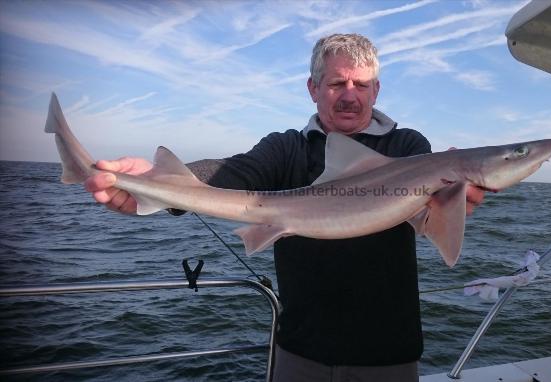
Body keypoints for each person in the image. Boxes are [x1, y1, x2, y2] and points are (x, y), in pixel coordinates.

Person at [85, 33, 484, 382]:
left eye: (361, 85)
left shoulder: (408, 149)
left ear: (376, 91)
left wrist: (455, 199)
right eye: (337, 83)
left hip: (388, 352)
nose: (350, 95)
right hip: (300, 348)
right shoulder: (286, 147)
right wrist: (158, 183)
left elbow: (430, 216)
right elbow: (231, 172)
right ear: (312, 88)